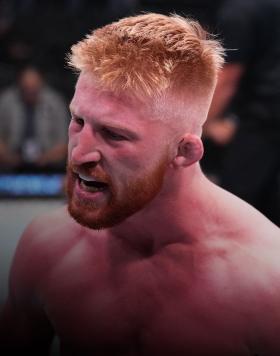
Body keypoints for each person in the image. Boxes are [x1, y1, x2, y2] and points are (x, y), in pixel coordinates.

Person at [1, 12, 280, 356]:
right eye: (78, 120)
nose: (79, 155)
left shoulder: (267, 280)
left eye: (114, 134)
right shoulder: (49, 246)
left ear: (184, 151)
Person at [203, 0, 280, 226]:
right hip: (261, 118)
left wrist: (197, 128)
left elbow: (226, 79)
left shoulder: (239, 12)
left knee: (232, 214)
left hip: (260, 125)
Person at [0, 66, 68, 172]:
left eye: (33, 87)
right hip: (10, 165)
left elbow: (65, 142)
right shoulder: (5, 101)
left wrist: (46, 158)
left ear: (41, 83)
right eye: (26, 88)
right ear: (19, 84)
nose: (30, 91)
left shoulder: (55, 103)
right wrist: (9, 158)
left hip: (49, 167)